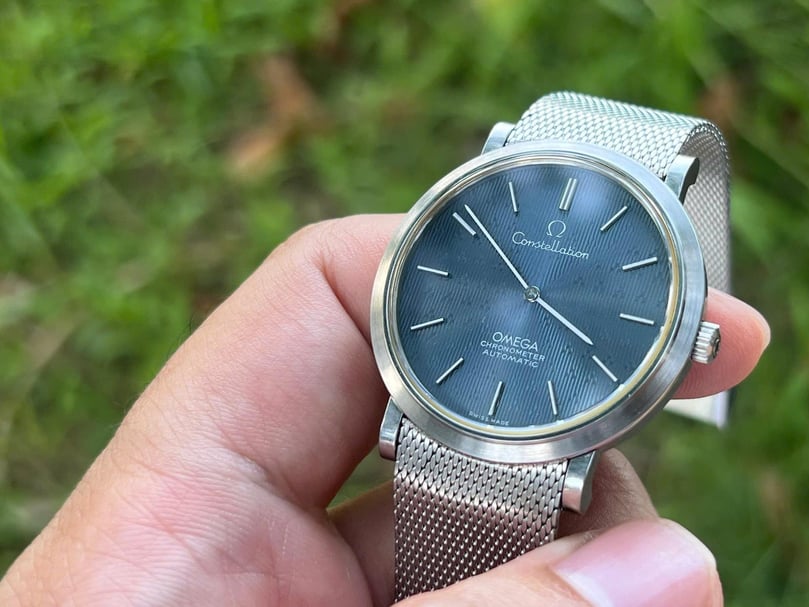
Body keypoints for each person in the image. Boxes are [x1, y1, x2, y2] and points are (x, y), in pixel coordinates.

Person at [0, 215, 770, 606]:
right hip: (449, 417)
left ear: (688, 342)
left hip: (514, 435)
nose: (533, 295)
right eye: (524, 287)